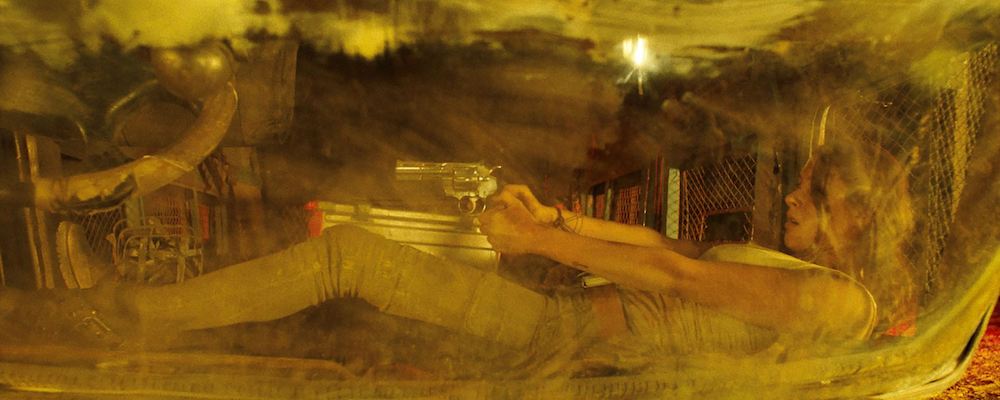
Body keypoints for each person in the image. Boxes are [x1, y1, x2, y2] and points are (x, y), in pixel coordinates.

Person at [4, 137, 916, 367]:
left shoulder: (842, 305)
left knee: (352, 258)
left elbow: (679, 278)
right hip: (566, 321)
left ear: (858, 221)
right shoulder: (813, 276)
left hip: (568, 344)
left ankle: (114, 318)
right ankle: (128, 320)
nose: (793, 197)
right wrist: (559, 220)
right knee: (349, 281)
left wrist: (537, 242)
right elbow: (666, 243)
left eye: (816, 193)